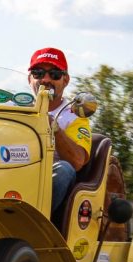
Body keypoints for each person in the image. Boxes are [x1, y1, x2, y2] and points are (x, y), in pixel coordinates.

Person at [27, 47, 91, 215]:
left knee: (64, 169)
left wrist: (52, 126)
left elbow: (77, 161)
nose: (46, 79)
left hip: (45, 182)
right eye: (38, 73)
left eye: (54, 74)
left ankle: (35, 221)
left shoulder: (74, 116)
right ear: (29, 79)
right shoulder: (13, 108)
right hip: (12, 173)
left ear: (65, 80)